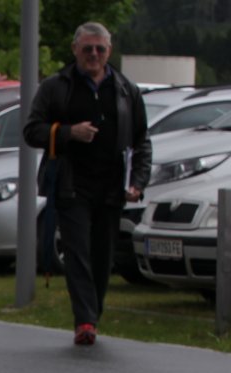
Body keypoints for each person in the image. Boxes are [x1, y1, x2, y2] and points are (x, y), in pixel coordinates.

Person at [24, 22, 151, 347]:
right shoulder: (56, 87)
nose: (93, 54)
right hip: (71, 185)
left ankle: (93, 314)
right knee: (77, 252)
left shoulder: (126, 90)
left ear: (109, 51)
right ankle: (85, 320)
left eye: (100, 49)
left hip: (111, 186)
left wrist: (138, 181)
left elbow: (141, 141)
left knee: (102, 256)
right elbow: (32, 131)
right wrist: (69, 133)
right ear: (75, 50)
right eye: (87, 49)